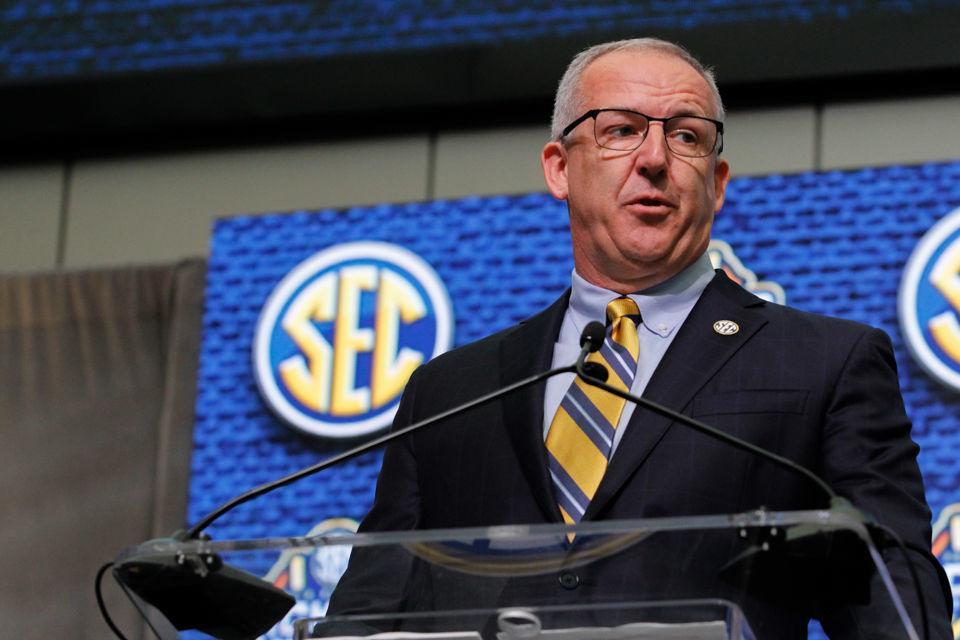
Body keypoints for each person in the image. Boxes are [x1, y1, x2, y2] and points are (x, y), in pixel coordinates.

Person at [325, 38, 951, 638]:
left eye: (686, 137)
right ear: (559, 168)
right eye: (620, 130)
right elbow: (367, 614)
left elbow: (893, 600)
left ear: (719, 181)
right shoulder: (450, 391)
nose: (654, 158)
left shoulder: (824, 364)